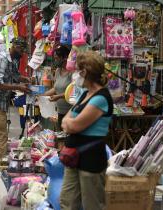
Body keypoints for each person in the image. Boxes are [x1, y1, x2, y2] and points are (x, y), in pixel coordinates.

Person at [60, 51, 113, 210]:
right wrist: (69, 123)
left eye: (77, 70)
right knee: (67, 201)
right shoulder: (85, 93)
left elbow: (74, 125)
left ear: (85, 72)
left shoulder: (101, 98)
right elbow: (65, 120)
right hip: (73, 157)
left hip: (91, 159)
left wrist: (69, 123)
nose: (75, 74)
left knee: (92, 204)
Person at [0, 37, 31, 162]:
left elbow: (15, 76)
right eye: (22, 51)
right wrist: (18, 86)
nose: (22, 54)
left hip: (2, 104)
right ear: (15, 47)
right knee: (1, 136)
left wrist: (26, 80)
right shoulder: (2, 59)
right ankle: (2, 166)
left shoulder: (11, 60)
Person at [43, 45, 72, 130]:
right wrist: (42, 95)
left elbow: (73, 92)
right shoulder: (58, 71)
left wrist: (58, 96)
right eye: (54, 58)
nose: (55, 61)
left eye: (57, 58)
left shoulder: (72, 72)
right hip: (60, 111)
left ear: (65, 57)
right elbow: (55, 89)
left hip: (70, 112)